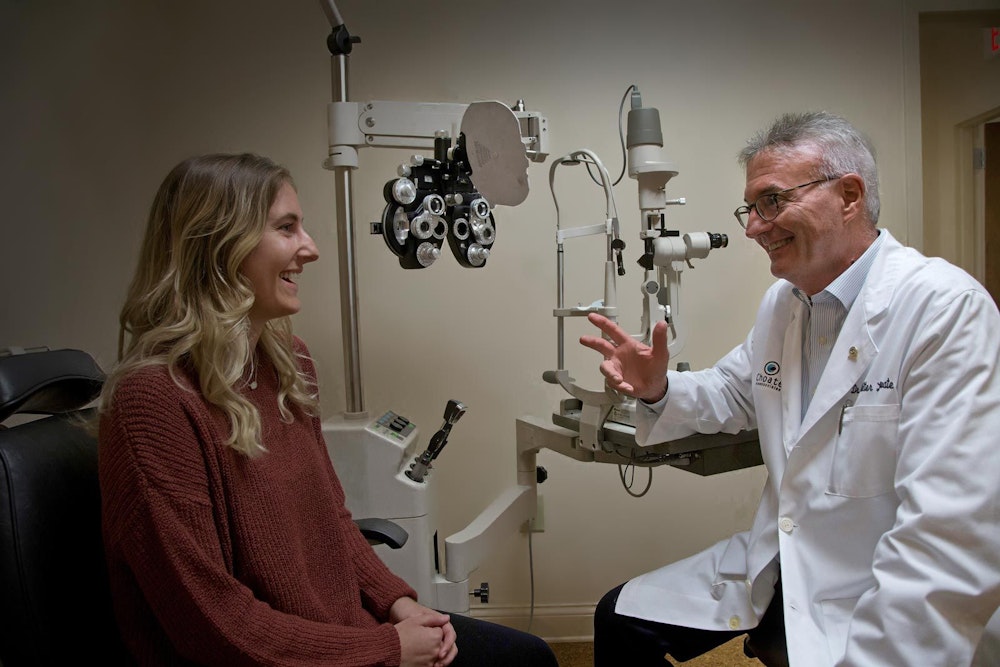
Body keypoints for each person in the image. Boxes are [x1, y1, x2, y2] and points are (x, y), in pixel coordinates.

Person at [97, 153, 558, 667]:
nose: (310, 249)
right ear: (218, 243)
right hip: (274, 659)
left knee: (528, 658)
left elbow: (332, 523)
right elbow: (214, 627)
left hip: (344, 634)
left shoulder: (287, 365)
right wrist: (387, 648)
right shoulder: (154, 404)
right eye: (286, 228)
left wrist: (397, 602)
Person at [581, 111, 1000, 666]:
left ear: (849, 194)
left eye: (772, 202)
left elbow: (947, 537)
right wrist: (657, 388)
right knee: (620, 618)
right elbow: (734, 392)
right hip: (784, 555)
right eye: (750, 208)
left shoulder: (943, 310)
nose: (753, 227)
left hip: (871, 576)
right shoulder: (786, 302)